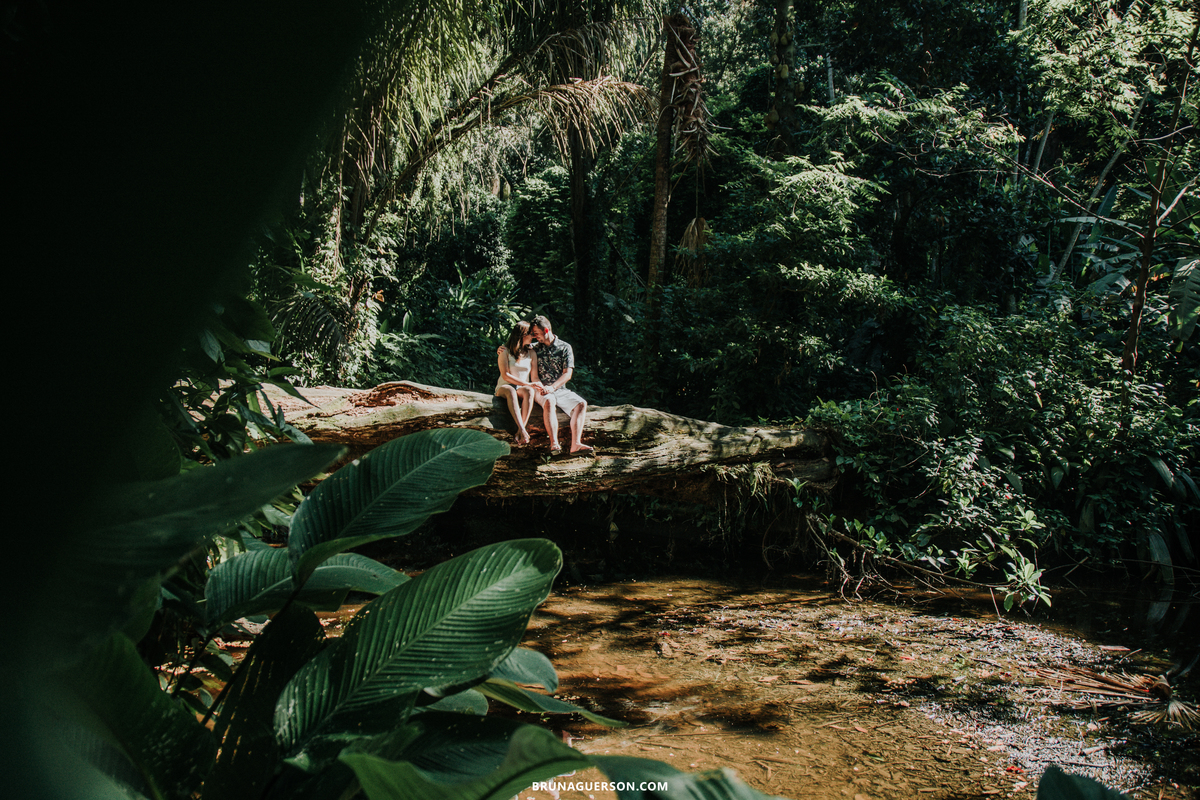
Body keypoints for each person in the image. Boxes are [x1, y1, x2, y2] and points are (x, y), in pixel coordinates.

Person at [528, 314, 593, 455]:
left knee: (581, 404)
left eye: (536, 333)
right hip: (539, 389)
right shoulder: (533, 348)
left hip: (558, 389)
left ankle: (575, 444)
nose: (534, 336)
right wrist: (503, 349)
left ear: (546, 331)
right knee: (550, 401)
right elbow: (515, 348)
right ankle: (554, 444)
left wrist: (552, 387)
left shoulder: (565, 347)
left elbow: (567, 374)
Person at [495, 321, 538, 445]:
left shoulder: (531, 352)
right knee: (510, 390)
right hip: (504, 387)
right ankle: (523, 431)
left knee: (529, 391)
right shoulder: (505, 351)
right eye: (531, 334)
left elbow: (534, 376)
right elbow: (505, 375)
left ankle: (520, 430)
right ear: (523, 335)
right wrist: (527, 383)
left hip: (522, 388)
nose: (533, 337)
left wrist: (532, 385)